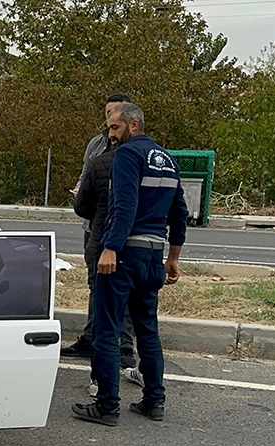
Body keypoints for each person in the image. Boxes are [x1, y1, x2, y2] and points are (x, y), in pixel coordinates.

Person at [72, 102, 187, 427]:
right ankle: (154, 400)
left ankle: (107, 405)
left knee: (107, 330)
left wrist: (110, 248)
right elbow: (179, 211)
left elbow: (124, 205)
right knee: (147, 329)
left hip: (123, 254)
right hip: (153, 255)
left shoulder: (126, 156)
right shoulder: (167, 159)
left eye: (114, 128)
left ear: (133, 126)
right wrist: (173, 257)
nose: (110, 134)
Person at [62, 93, 136, 369]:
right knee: (96, 284)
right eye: (107, 115)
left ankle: (124, 345)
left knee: (123, 287)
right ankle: (90, 338)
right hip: (93, 227)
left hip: (123, 232)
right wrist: (81, 192)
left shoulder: (136, 151)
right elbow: (85, 177)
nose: (110, 122)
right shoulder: (96, 145)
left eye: (116, 116)